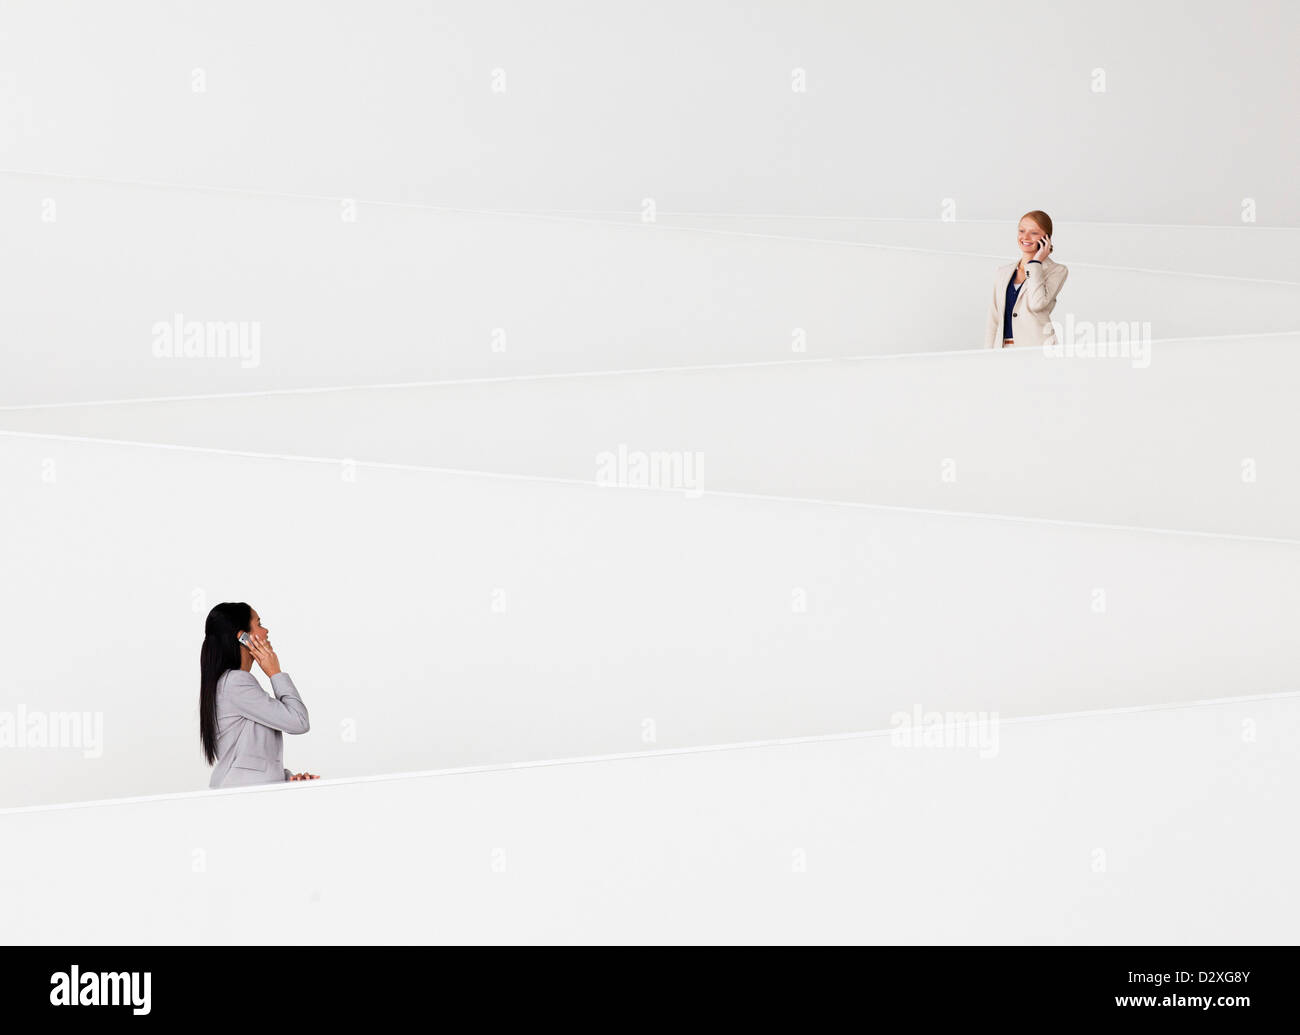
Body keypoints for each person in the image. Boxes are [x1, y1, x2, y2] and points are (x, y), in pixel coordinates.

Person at [199, 601, 319, 788]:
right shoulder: (235, 682)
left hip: (244, 792)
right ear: (243, 638)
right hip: (241, 797)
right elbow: (299, 721)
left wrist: (287, 778)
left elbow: (250, 758)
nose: (266, 631)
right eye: (259, 624)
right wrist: (275, 673)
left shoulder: (231, 683)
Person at [985, 210, 1069, 349]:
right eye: (1022, 231)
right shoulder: (1003, 272)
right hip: (1002, 349)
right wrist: (986, 354)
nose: (1025, 237)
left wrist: (1035, 264)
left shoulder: (1057, 271)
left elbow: (1037, 304)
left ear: (1046, 238)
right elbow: (993, 319)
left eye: (1034, 232)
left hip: (1037, 348)